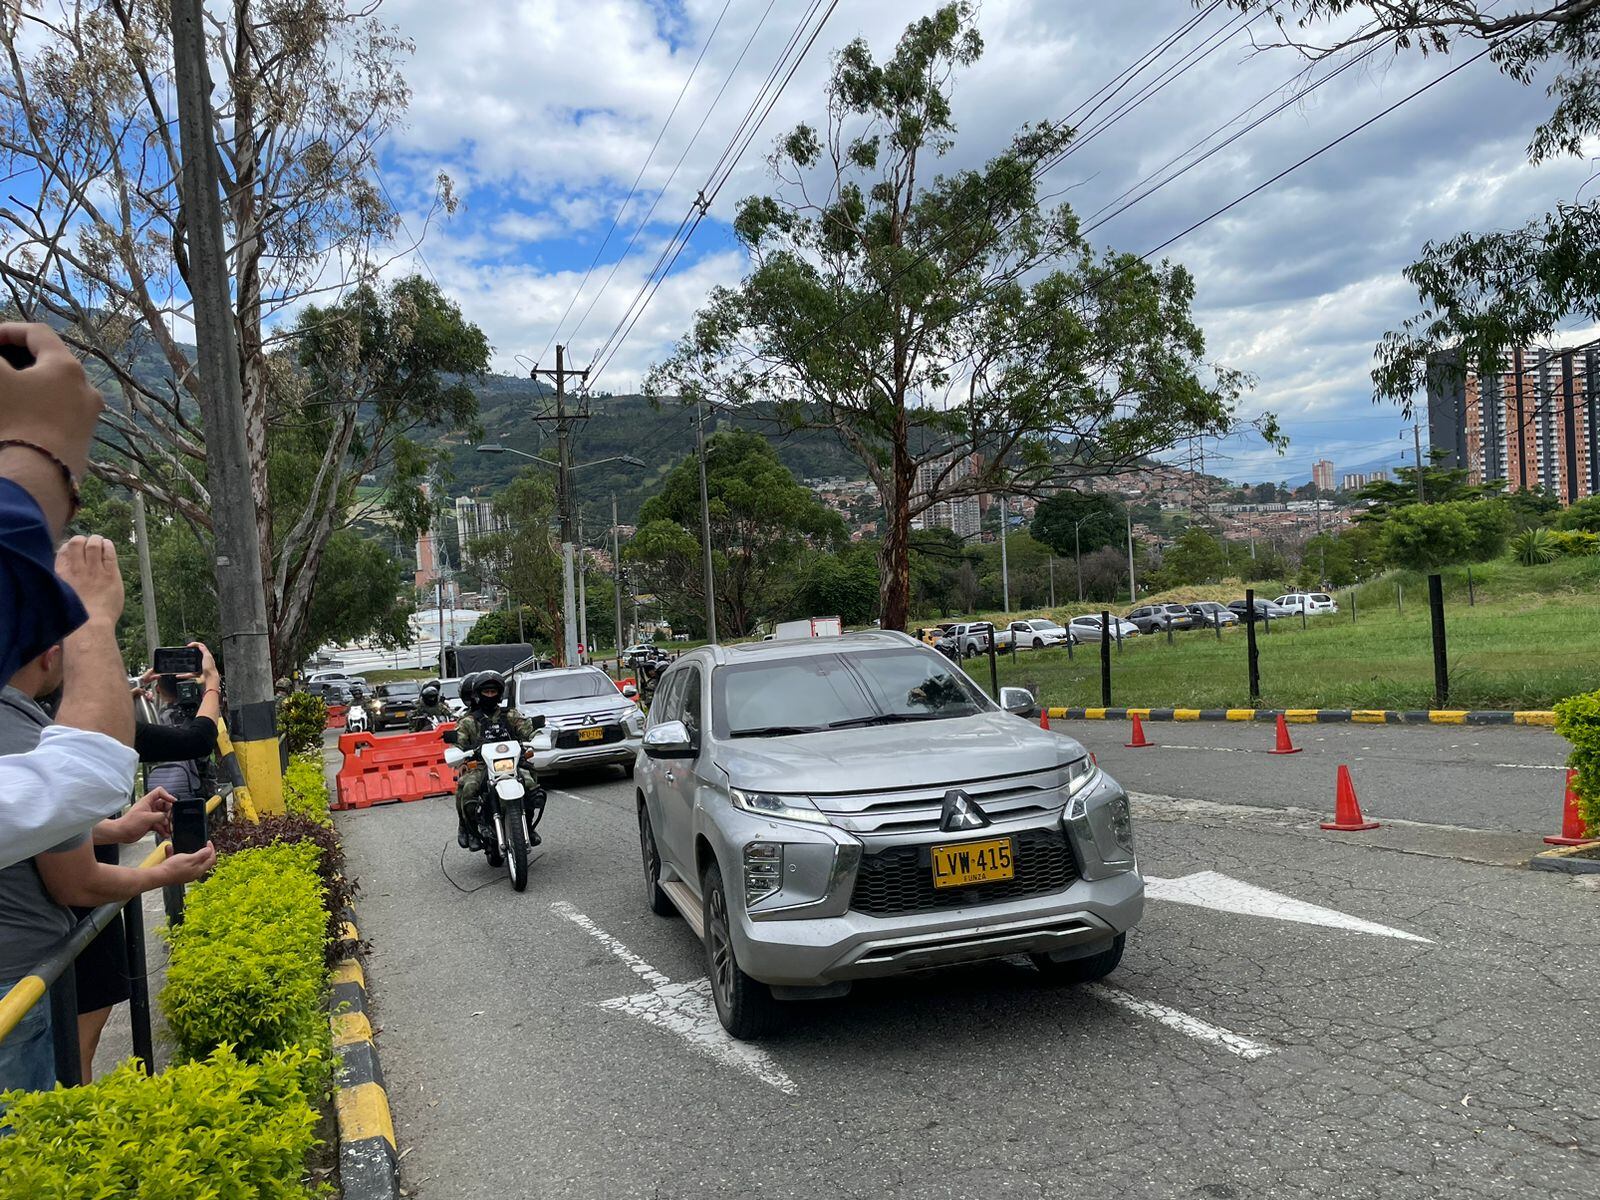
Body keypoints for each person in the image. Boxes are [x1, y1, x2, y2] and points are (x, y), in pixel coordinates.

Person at [0, 643, 214, 1097]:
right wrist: (164, 875)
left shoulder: (28, 721)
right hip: (26, 963)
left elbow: (24, 818)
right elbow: (75, 879)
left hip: (42, 952)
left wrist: (115, 830)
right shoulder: (30, 729)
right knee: (47, 1105)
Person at [0, 536, 140, 870]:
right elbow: (90, 770)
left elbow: (21, 810)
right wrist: (91, 614)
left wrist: (117, 828)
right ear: (51, 656)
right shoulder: (17, 719)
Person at [451, 672, 538, 851]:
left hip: (512, 764)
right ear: (478, 694)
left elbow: (528, 730)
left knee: (530, 785)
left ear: (499, 693)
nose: (490, 695)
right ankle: (469, 829)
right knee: (468, 788)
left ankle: (528, 827)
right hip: (482, 766)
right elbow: (458, 742)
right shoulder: (468, 720)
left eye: (493, 691)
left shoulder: (511, 715)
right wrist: (457, 752)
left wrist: (537, 738)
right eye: (486, 692)